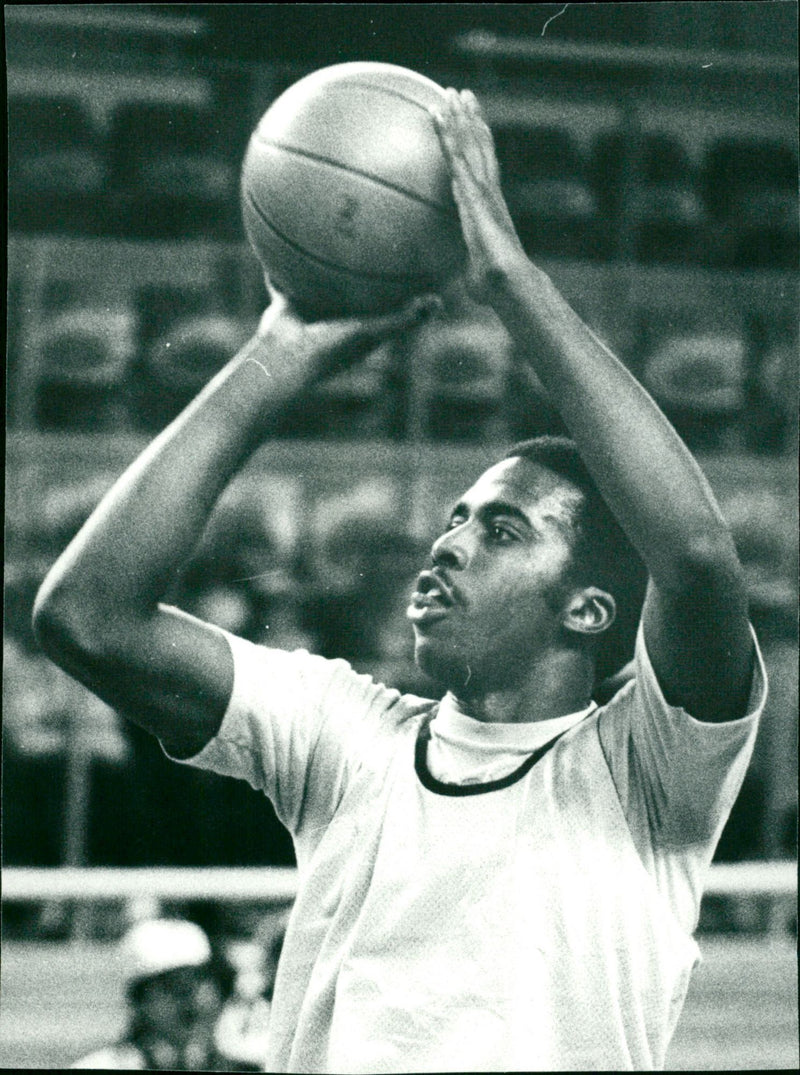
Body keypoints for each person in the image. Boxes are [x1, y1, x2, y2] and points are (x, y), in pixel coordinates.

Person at [35, 89, 766, 1072]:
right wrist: (274, 354)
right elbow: (90, 618)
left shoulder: (648, 769)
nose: (447, 544)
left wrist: (509, 281)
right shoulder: (344, 735)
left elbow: (693, 555)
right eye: (453, 517)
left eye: (501, 529)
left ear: (589, 608)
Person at [72, 917, 233, 1070]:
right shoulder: (98, 1068)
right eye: (176, 984)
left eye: (200, 979)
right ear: (139, 1000)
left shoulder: (243, 1066)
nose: (192, 999)